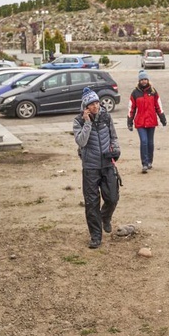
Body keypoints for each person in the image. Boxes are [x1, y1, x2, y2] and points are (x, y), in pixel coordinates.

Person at [73, 87, 121, 249]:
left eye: (96, 103)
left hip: (107, 164)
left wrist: (115, 150)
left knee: (112, 197)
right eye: (91, 104)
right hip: (90, 167)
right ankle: (95, 236)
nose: (95, 106)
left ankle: (105, 217)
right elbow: (81, 142)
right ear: (85, 107)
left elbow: (113, 136)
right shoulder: (78, 121)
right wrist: (87, 123)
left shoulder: (106, 117)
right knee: (91, 203)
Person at [127, 70, 167, 173]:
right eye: (142, 79)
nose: (144, 81)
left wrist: (162, 118)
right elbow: (131, 108)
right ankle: (144, 163)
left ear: (148, 80)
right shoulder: (135, 93)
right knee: (144, 142)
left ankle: (150, 161)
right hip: (140, 122)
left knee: (150, 143)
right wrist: (129, 121)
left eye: (145, 79)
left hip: (151, 121)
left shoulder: (153, 92)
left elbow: (158, 106)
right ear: (139, 81)